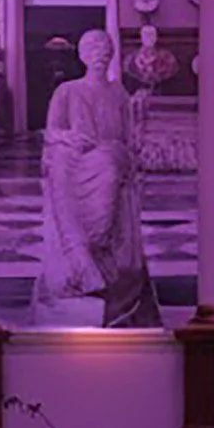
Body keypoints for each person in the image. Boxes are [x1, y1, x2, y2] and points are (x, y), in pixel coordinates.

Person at [32, 29, 160, 328]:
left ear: (112, 53)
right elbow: (51, 132)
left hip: (107, 156)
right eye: (91, 47)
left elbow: (128, 141)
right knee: (60, 162)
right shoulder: (67, 90)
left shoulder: (119, 94)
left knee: (108, 162)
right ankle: (79, 258)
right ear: (82, 55)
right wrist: (69, 137)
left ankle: (94, 250)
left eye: (104, 47)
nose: (99, 53)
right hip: (76, 155)